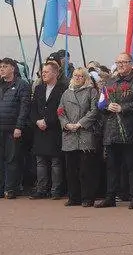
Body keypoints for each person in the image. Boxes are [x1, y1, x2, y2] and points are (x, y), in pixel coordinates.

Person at [98, 53, 133, 209]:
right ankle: (110, 197)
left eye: (124, 62)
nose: (120, 65)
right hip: (111, 129)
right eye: (118, 62)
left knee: (132, 165)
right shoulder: (110, 81)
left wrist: (124, 108)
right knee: (111, 166)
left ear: (131, 63)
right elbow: (100, 102)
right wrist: (107, 106)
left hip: (130, 129)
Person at [59, 67, 100, 206]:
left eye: (81, 76)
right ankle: (73, 197)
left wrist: (80, 124)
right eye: (75, 75)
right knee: (71, 170)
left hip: (85, 134)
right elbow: (60, 111)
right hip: (69, 135)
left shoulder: (91, 91)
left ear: (86, 78)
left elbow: (94, 110)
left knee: (85, 170)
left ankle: (87, 198)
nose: (77, 78)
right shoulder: (66, 93)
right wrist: (66, 124)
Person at [30, 61, 66, 199]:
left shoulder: (62, 89)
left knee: (56, 162)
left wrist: (48, 121)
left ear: (56, 73)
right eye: (42, 72)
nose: (43, 74)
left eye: (46, 71)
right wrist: (37, 121)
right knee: (40, 161)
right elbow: (33, 108)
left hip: (54, 129)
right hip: (40, 129)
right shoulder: (39, 88)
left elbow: (61, 109)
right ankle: (41, 189)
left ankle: (56, 190)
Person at [0, 57, 30, 198]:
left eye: (5, 66)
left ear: (12, 68)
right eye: (1, 67)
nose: (2, 69)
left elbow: (24, 107)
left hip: (13, 128)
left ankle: (10, 188)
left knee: (12, 159)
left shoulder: (21, 85)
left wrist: (19, 126)